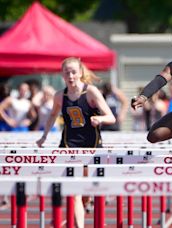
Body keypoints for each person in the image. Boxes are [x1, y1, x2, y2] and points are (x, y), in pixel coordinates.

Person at [36, 57, 116, 228]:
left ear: (80, 73)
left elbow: (111, 117)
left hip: (91, 145)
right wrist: (44, 136)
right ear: (62, 75)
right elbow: (52, 116)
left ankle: (84, 206)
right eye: (67, 73)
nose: (70, 76)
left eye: (73, 72)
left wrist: (99, 118)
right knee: (74, 192)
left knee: (85, 191)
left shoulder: (91, 92)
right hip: (68, 145)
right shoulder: (60, 95)